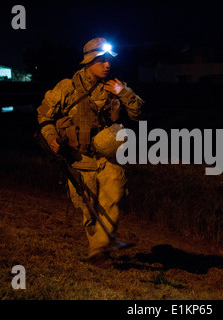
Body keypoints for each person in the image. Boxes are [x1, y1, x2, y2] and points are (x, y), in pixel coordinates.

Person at [37, 37, 144, 266]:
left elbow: (137, 114)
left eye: (109, 61)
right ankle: (100, 246)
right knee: (89, 208)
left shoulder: (117, 86)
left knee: (114, 198)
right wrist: (51, 137)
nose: (108, 65)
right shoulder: (66, 88)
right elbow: (45, 117)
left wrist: (123, 93)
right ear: (89, 62)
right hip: (79, 158)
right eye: (102, 61)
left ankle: (99, 251)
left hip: (109, 157)